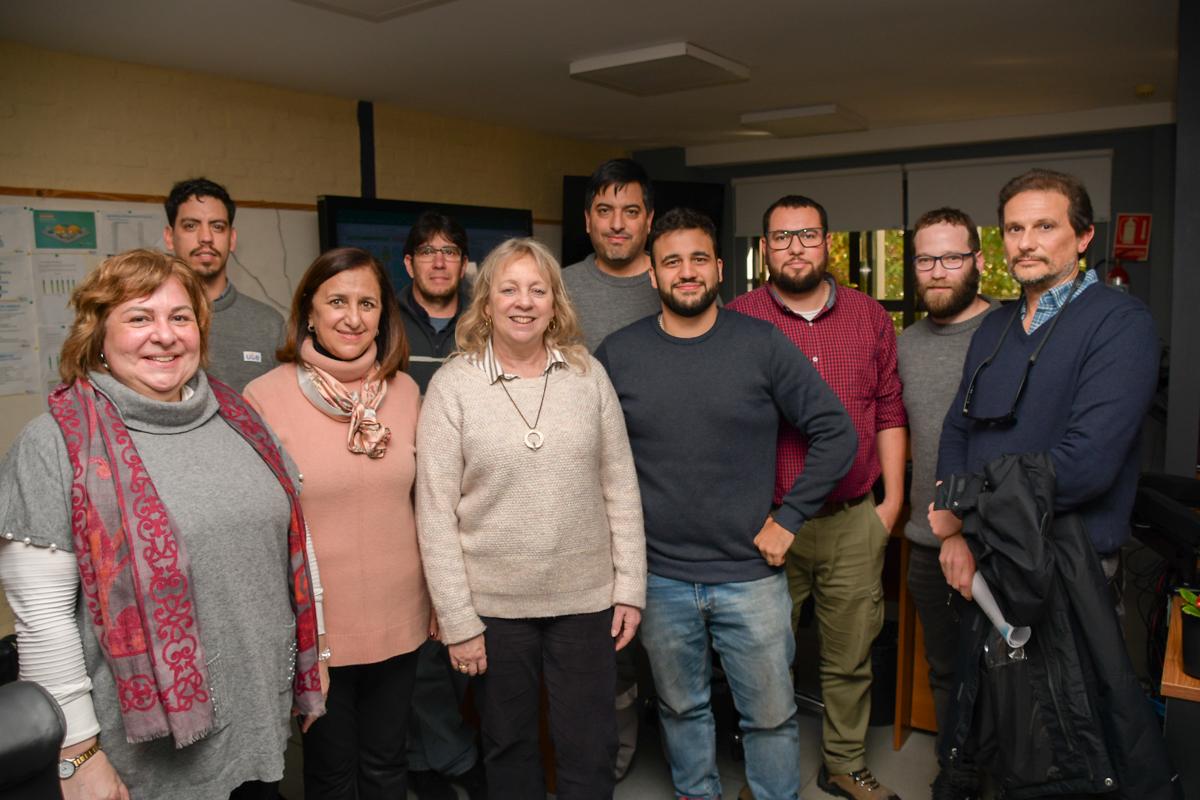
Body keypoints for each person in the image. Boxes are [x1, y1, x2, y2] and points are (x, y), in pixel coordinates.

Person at [0, 248, 324, 800]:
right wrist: (77, 755)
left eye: (179, 317)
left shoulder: (241, 418)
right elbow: (43, 620)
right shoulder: (55, 443)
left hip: (257, 725)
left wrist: (319, 666)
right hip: (141, 763)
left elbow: (294, 542)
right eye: (138, 317)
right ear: (97, 332)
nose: (164, 335)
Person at [596, 208, 857, 800]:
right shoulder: (618, 355)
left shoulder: (762, 345)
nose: (685, 272)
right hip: (658, 577)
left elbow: (836, 433)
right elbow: (590, 455)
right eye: (671, 262)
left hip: (750, 577)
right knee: (681, 711)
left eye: (697, 259)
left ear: (719, 268)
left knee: (769, 718)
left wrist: (790, 518)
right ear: (653, 277)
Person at [930, 169, 1170, 797]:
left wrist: (964, 508)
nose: (1026, 241)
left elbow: (1086, 464)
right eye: (1014, 228)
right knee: (994, 729)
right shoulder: (996, 326)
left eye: (1045, 225)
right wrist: (955, 531)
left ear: (1083, 236)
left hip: (1072, 564)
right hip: (988, 559)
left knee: (1071, 744)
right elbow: (957, 431)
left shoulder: (1120, 323)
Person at [415, 237, 646, 800]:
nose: (524, 302)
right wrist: (459, 619)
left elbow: (621, 486)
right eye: (509, 289)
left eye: (537, 290)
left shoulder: (588, 376)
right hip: (495, 610)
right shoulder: (454, 386)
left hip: (587, 602)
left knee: (590, 746)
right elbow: (435, 513)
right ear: (486, 302)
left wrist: (631, 587)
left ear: (555, 302)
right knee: (508, 746)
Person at [727, 195, 907, 800]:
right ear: (764, 249)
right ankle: (768, 773)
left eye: (806, 235)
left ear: (827, 242)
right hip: (769, 522)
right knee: (762, 661)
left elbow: (887, 409)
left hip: (854, 517)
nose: (794, 247)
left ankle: (844, 763)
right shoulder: (739, 319)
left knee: (850, 656)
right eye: (780, 238)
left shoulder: (870, 318)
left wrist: (892, 505)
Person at [243, 247, 430, 800]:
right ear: (309, 311)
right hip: (318, 628)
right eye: (337, 301)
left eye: (367, 303)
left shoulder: (405, 393)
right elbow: (261, 525)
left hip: (400, 616)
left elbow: (428, 505)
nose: (353, 317)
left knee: (387, 766)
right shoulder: (265, 398)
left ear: (383, 315)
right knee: (329, 774)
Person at [896, 207, 997, 799]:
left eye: (951, 257)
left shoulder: (1010, 332)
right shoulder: (905, 343)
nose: (937, 271)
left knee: (1014, 674)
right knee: (945, 670)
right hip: (926, 541)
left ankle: (1013, 779)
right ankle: (955, 773)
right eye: (926, 259)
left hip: (1000, 541)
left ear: (978, 262)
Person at [164, 177, 285, 390]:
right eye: (191, 226)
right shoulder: (151, 323)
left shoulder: (269, 325)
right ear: (170, 237)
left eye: (217, 227)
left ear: (232, 239)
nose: (206, 237)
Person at [563, 158, 661, 352]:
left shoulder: (679, 283)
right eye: (604, 211)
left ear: (649, 220)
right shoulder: (558, 286)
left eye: (631, 212)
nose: (617, 225)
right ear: (588, 220)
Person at [400, 210, 473, 393]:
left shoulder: (483, 323)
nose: (439, 263)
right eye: (427, 252)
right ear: (410, 265)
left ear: (463, 266)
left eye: (449, 252)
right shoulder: (384, 321)